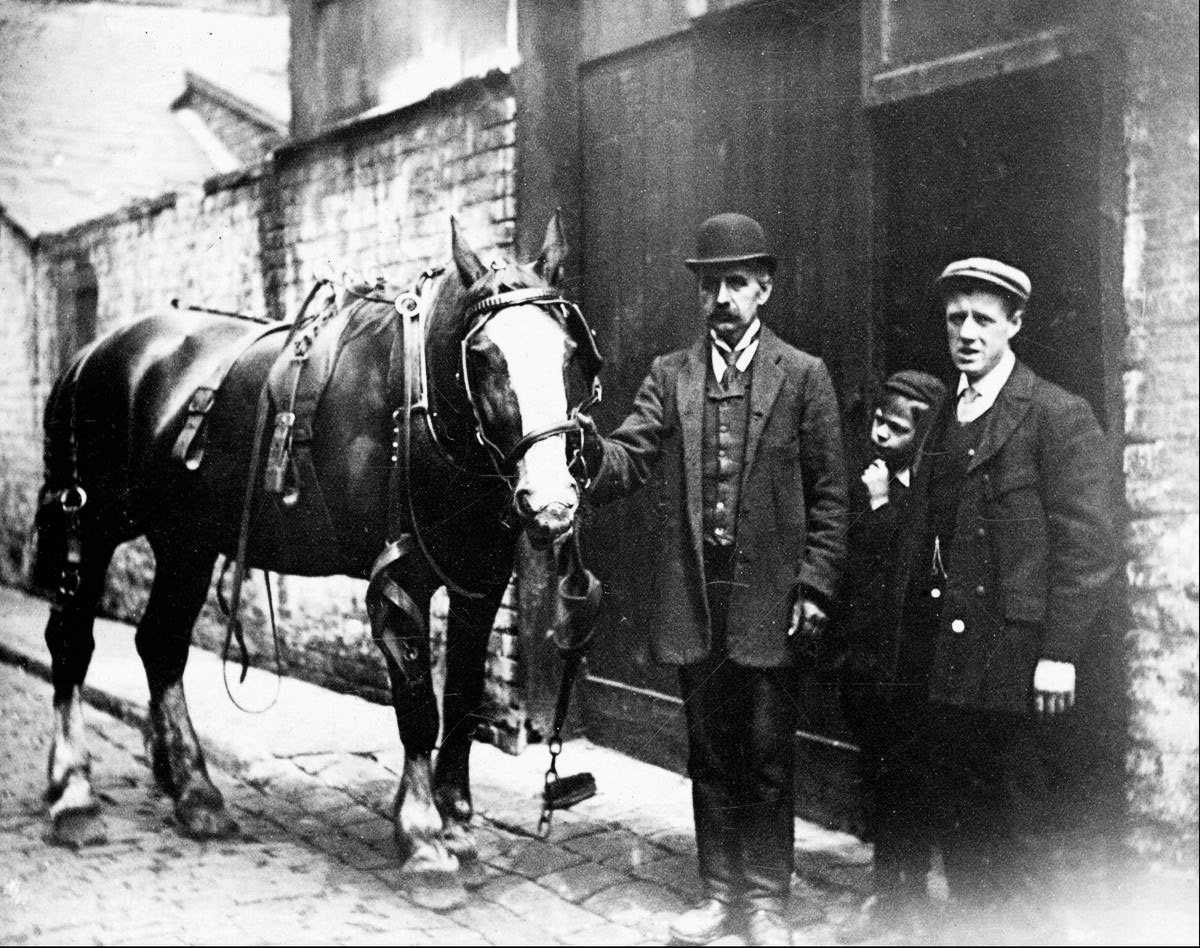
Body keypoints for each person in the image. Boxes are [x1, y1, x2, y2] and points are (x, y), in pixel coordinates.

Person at [581, 213, 848, 947]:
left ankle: (766, 904)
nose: (722, 297)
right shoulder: (672, 376)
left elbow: (832, 497)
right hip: (698, 595)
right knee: (708, 750)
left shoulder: (803, 376)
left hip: (771, 599)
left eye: (736, 282)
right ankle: (719, 895)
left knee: (766, 753)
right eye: (710, 285)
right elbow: (628, 456)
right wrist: (576, 448)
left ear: (763, 288)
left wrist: (815, 587)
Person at [886, 258, 1116, 939]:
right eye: (956, 317)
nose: (967, 332)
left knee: (1019, 831)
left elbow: (1089, 546)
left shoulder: (1056, 414)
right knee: (960, 824)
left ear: (1015, 325)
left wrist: (1061, 653)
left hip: (1015, 659)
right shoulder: (942, 417)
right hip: (945, 659)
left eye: (984, 319)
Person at [831, 370, 948, 944]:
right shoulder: (865, 482)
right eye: (877, 420)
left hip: (911, 666)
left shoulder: (929, 490)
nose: (879, 434)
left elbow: (904, 565)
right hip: (865, 661)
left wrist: (881, 507)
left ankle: (913, 891)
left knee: (911, 780)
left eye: (895, 428)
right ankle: (887, 884)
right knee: (878, 775)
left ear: (921, 435)